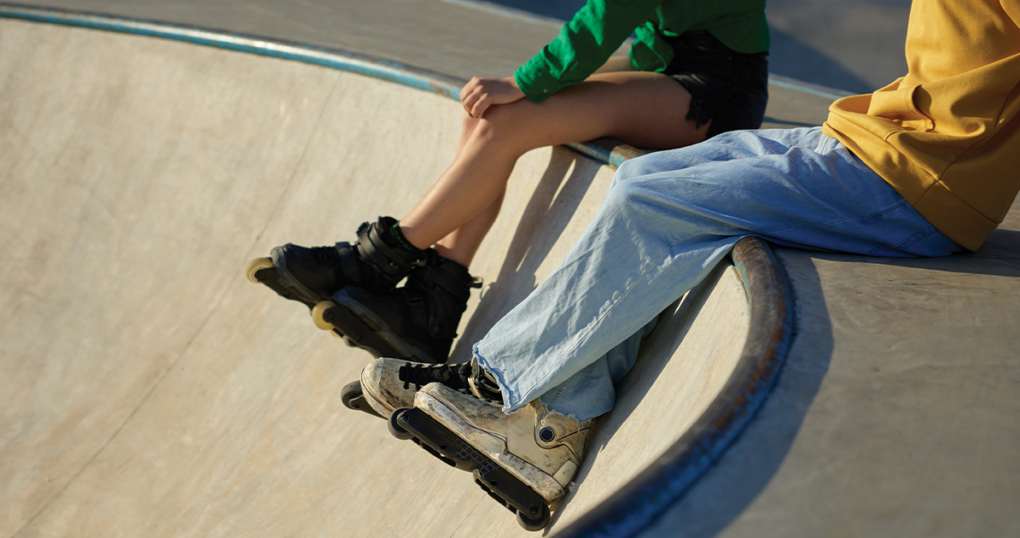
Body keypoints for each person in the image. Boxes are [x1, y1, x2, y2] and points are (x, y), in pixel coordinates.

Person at [357, 0, 1020, 529]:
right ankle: (547, 407)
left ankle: (512, 400)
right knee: (650, 175)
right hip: (869, 138)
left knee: (656, 199)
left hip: (916, 182)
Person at [246, 0, 771, 364]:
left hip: (712, 90)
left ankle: (378, 259)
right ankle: (435, 300)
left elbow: (603, 20)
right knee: (484, 112)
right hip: (664, 58)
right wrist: (519, 84)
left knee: (509, 115)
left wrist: (522, 81)